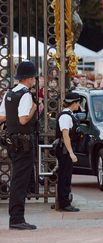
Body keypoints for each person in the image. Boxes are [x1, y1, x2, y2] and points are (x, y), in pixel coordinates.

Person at [0, 61, 38, 230]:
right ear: (29, 79)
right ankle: (16, 219)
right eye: (34, 77)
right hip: (23, 143)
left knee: (17, 179)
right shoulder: (26, 95)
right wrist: (34, 109)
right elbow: (23, 119)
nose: (35, 80)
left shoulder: (8, 94)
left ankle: (15, 217)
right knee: (19, 182)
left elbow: (2, 117)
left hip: (12, 143)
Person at [55, 92, 81, 212]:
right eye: (78, 102)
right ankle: (64, 203)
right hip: (65, 150)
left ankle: (64, 201)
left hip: (66, 149)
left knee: (66, 175)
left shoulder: (70, 115)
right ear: (74, 103)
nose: (79, 105)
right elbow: (65, 136)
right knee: (64, 176)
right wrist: (71, 152)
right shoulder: (65, 116)